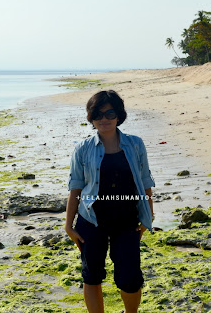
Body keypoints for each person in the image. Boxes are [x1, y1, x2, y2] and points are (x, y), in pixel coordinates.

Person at [65, 90, 155, 313]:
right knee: (92, 275)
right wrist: (68, 225)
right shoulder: (82, 148)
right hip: (91, 220)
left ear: (119, 115)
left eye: (110, 113)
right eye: (97, 114)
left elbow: (145, 181)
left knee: (130, 277)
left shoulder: (135, 144)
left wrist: (148, 216)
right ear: (91, 117)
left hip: (127, 221)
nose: (103, 119)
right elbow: (75, 187)